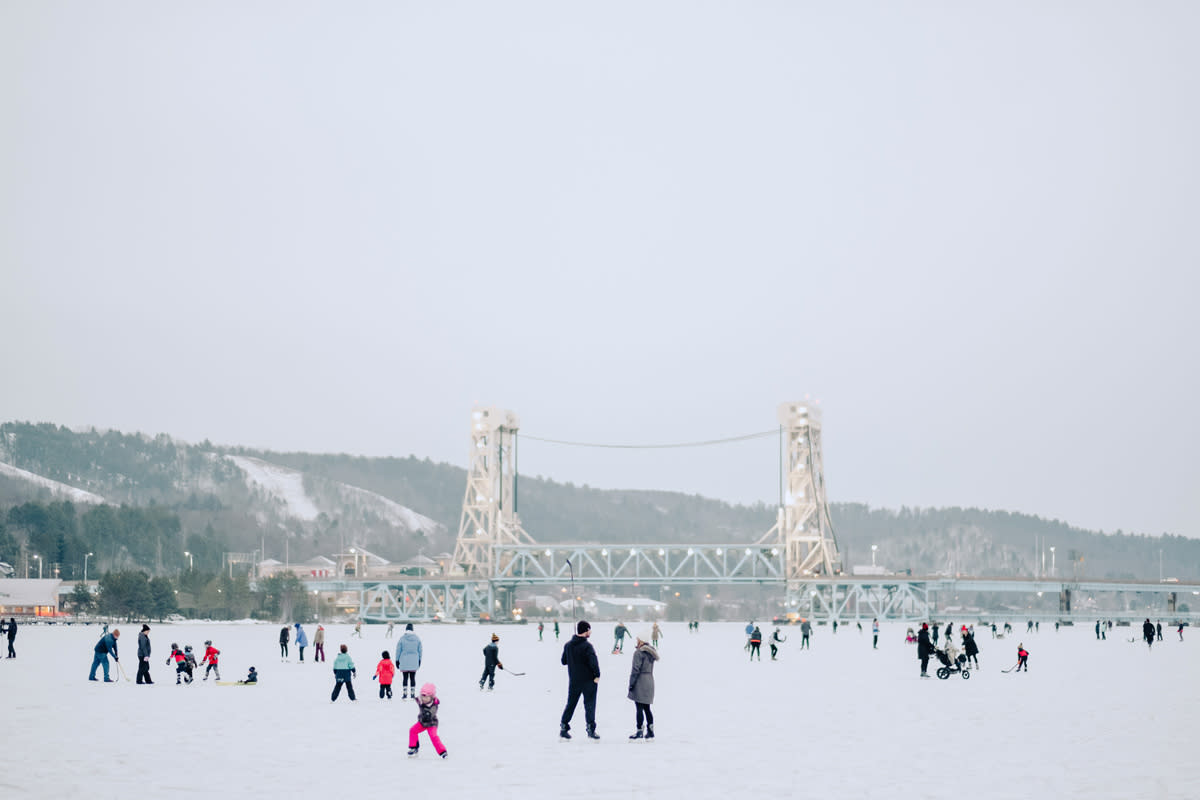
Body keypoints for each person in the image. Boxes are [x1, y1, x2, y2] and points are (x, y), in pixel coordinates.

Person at [560, 620, 601, 740]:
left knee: (571, 704)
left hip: (574, 681)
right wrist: (597, 675)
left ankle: (564, 727)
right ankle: (591, 730)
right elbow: (593, 663)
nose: (590, 632)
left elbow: (563, 661)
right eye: (589, 630)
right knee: (589, 705)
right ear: (586, 630)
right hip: (588, 680)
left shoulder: (568, 645)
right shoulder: (587, 646)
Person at [627, 629, 659, 740]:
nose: (637, 641)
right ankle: (651, 731)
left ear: (641, 640)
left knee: (639, 708)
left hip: (640, 681)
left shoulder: (639, 653)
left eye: (638, 639)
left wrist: (631, 684)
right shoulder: (651, 652)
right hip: (650, 680)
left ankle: (639, 731)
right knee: (647, 708)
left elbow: (635, 670)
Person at [408, 682, 448, 758]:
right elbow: (418, 699)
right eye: (423, 696)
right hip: (422, 723)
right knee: (412, 730)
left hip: (431, 723)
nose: (424, 699)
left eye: (426, 697)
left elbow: (432, 712)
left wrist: (428, 714)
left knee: (433, 736)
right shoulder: (421, 700)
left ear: (431, 697)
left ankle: (442, 751)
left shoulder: (434, 705)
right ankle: (413, 747)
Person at [394, 622, 422, 699]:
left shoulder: (402, 638)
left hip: (404, 661)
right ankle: (412, 694)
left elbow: (398, 650)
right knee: (413, 678)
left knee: (405, 678)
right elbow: (420, 651)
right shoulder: (417, 639)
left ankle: (405, 693)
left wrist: (397, 660)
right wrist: (419, 660)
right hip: (414, 661)